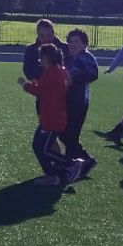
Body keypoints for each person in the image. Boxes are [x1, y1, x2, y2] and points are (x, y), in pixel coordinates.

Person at [17, 43, 84, 186]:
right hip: (50, 116)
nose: (39, 61)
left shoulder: (52, 73)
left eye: (41, 58)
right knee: (38, 146)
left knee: (43, 148)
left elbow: (38, 91)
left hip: (52, 118)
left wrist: (24, 84)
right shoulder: (59, 71)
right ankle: (55, 174)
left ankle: (70, 165)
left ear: (47, 58)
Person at [62, 28, 100, 177]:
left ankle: (75, 164)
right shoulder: (66, 57)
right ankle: (80, 162)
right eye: (70, 41)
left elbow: (93, 74)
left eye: (77, 41)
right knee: (64, 133)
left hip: (79, 101)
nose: (73, 44)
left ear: (84, 44)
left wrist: (74, 77)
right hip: (65, 100)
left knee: (71, 134)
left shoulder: (86, 57)